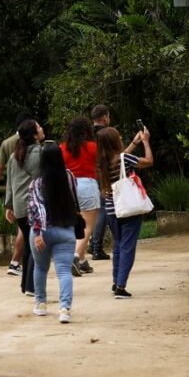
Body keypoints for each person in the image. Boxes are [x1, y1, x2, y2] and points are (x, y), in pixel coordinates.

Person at [95, 124, 153, 299]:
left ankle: (116, 281)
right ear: (114, 141)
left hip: (112, 210)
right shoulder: (124, 158)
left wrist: (134, 143)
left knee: (118, 246)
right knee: (128, 247)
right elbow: (149, 161)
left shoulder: (102, 163)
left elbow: (121, 158)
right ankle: (121, 286)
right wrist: (145, 142)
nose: (120, 138)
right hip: (129, 210)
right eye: (118, 137)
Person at [28, 144, 81, 323]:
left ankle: (41, 304)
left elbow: (37, 208)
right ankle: (65, 309)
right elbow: (74, 200)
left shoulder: (37, 182)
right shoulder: (69, 177)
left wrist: (37, 233)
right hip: (65, 230)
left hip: (43, 231)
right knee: (64, 271)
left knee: (40, 268)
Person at [0, 113, 31, 276]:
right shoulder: (33, 141)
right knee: (25, 229)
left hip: (14, 190)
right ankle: (15, 262)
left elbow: (0, 169)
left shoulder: (7, 143)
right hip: (29, 191)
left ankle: (21, 262)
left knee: (23, 228)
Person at [4, 119, 44, 296]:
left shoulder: (14, 156)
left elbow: (10, 183)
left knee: (29, 244)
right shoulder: (40, 154)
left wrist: (9, 205)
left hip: (19, 207)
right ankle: (31, 286)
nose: (42, 129)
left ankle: (25, 284)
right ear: (35, 134)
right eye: (39, 127)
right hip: (33, 206)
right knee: (35, 245)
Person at [60, 116, 99, 276]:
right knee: (87, 227)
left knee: (75, 225)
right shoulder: (92, 147)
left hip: (69, 186)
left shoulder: (62, 147)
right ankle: (75, 257)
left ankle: (82, 261)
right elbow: (100, 164)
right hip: (87, 185)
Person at [87, 105, 112, 261]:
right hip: (101, 174)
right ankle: (97, 246)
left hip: (86, 174)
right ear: (104, 117)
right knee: (103, 209)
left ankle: (90, 244)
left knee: (92, 211)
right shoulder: (105, 134)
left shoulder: (86, 133)